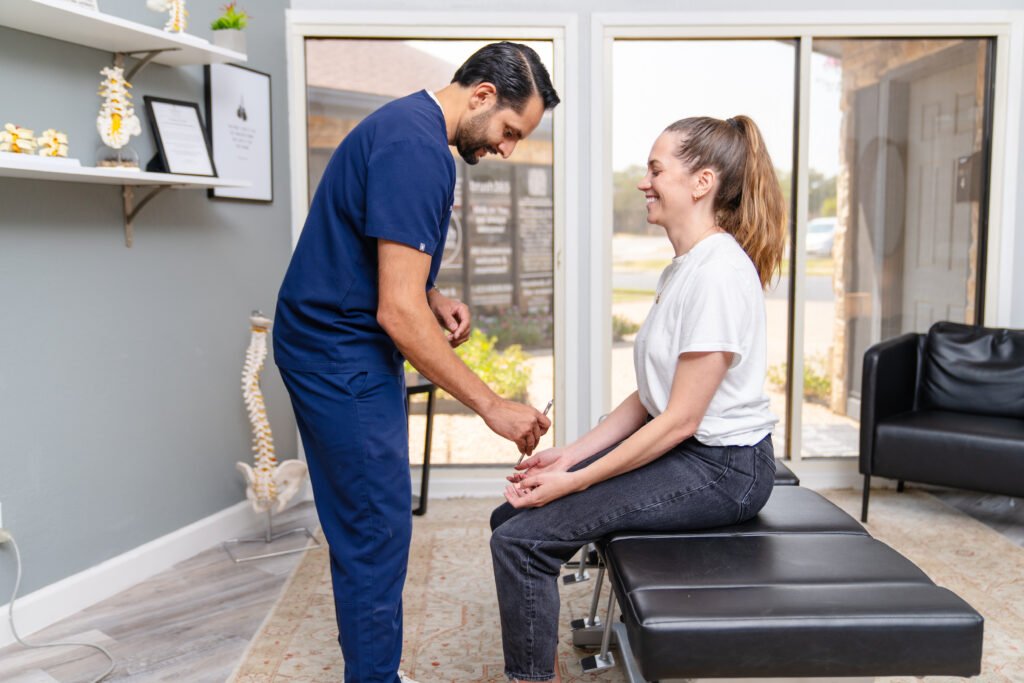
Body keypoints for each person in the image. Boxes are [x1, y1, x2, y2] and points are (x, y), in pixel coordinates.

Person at [273, 42, 559, 683]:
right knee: (375, 526)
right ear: (483, 93)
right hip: (336, 350)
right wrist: (493, 405)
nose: (508, 148)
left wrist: (431, 294)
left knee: (372, 518)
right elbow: (395, 316)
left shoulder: (410, 128)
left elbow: (376, 254)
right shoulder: (418, 150)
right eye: (511, 131)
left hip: (336, 338)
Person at [489, 115, 786, 683]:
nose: (643, 182)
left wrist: (574, 482)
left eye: (656, 169)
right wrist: (569, 456)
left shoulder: (718, 274)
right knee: (511, 517)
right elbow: (651, 396)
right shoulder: (687, 267)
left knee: (522, 542)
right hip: (694, 451)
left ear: (701, 182)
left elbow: (678, 420)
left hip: (726, 469)